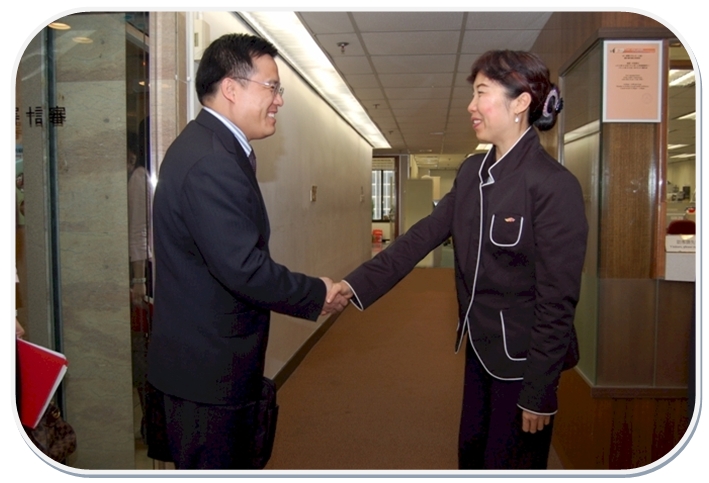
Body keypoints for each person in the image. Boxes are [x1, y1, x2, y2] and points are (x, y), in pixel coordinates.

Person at [329, 50, 588, 469]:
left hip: (523, 360)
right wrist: (353, 284)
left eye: (481, 93)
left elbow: (558, 300)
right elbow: (420, 238)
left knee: (511, 464)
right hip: (479, 348)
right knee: (472, 456)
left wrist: (540, 391)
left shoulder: (553, 186)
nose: (470, 105)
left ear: (520, 102)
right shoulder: (471, 172)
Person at [147, 33, 348, 469]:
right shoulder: (211, 160)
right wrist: (317, 292)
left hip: (207, 365)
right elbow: (243, 268)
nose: (279, 100)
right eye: (272, 87)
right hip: (207, 377)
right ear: (231, 88)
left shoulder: (212, 147)